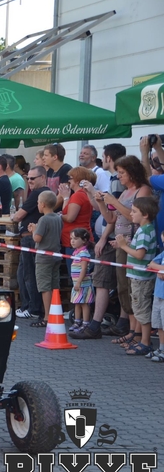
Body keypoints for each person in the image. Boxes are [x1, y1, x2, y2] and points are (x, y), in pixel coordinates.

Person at [101, 155, 152, 342]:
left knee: (134, 288)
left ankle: (137, 334)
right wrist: (101, 202)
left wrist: (114, 202)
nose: (119, 176)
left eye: (122, 172)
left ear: (132, 172)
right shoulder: (124, 192)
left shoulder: (143, 190)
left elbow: (135, 217)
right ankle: (131, 330)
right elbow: (111, 219)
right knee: (123, 286)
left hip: (134, 244)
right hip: (121, 244)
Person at [113, 197, 158, 355]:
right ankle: (139, 338)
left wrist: (124, 246)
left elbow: (139, 254)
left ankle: (145, 342)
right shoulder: (144, 229)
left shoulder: (145, 231)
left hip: (141, 277)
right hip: (138, 276)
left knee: (142, 309)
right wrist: (125, 245)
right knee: (139, 308)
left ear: (145, 214)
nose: (131, 214)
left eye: (134, 211)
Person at [12, 166, 50, 320]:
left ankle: (32, 308)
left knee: (28, 274)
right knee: (24, 273)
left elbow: (18, 216)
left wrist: (14, 216)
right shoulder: (45, 192)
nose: (29, 181)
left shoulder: (37, 193)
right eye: (28, 178)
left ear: (43, 177)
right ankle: (28, 306)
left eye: (33, 178)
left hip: (30, 238)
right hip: (32, 238)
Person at [29, 191, 62, 328]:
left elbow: (37, 238)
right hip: (56, 254)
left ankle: (47, 316)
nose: (37, 205)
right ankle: (56, 312)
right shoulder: (58, 218)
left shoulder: (44, 219)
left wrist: (34, 230)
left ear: (42, 204)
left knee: (44, 287)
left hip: (43, 257)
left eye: (38, 202)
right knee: (54, 285)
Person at [59, 167, 97, 272]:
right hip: (78, 239)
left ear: (77, 180)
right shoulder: (82, 194)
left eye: (70, 178)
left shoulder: (78, 195)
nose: (69, 181)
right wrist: (66, 198)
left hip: (77, 241)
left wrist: (58, 216)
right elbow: (66, 212)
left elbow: (70, 218)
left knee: (77, 274)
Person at [67, 228, 95, 335]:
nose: (72, 241)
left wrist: (79, 282)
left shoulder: (83, 253)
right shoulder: (76, 252)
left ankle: (86, 323)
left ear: (84, 240)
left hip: (83, 284)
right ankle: (77, 321)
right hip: (77, 284)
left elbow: (83, 269)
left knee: (84, 304)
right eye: (71, 238)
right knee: (77, 303)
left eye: (75, 239)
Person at [144, 231, 164, 361]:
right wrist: (160, 269)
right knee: (159, 324)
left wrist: (159, 269)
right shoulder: (162, 254)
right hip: (158, 294)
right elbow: (151, 264)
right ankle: (161, 348)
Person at [43, 143, 72, 210]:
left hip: (60, 211)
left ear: (55, 157)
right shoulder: (50, 170)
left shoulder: (66, 169)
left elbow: (62, 195)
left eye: (46, 155)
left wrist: (48, 210)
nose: (43, 158)